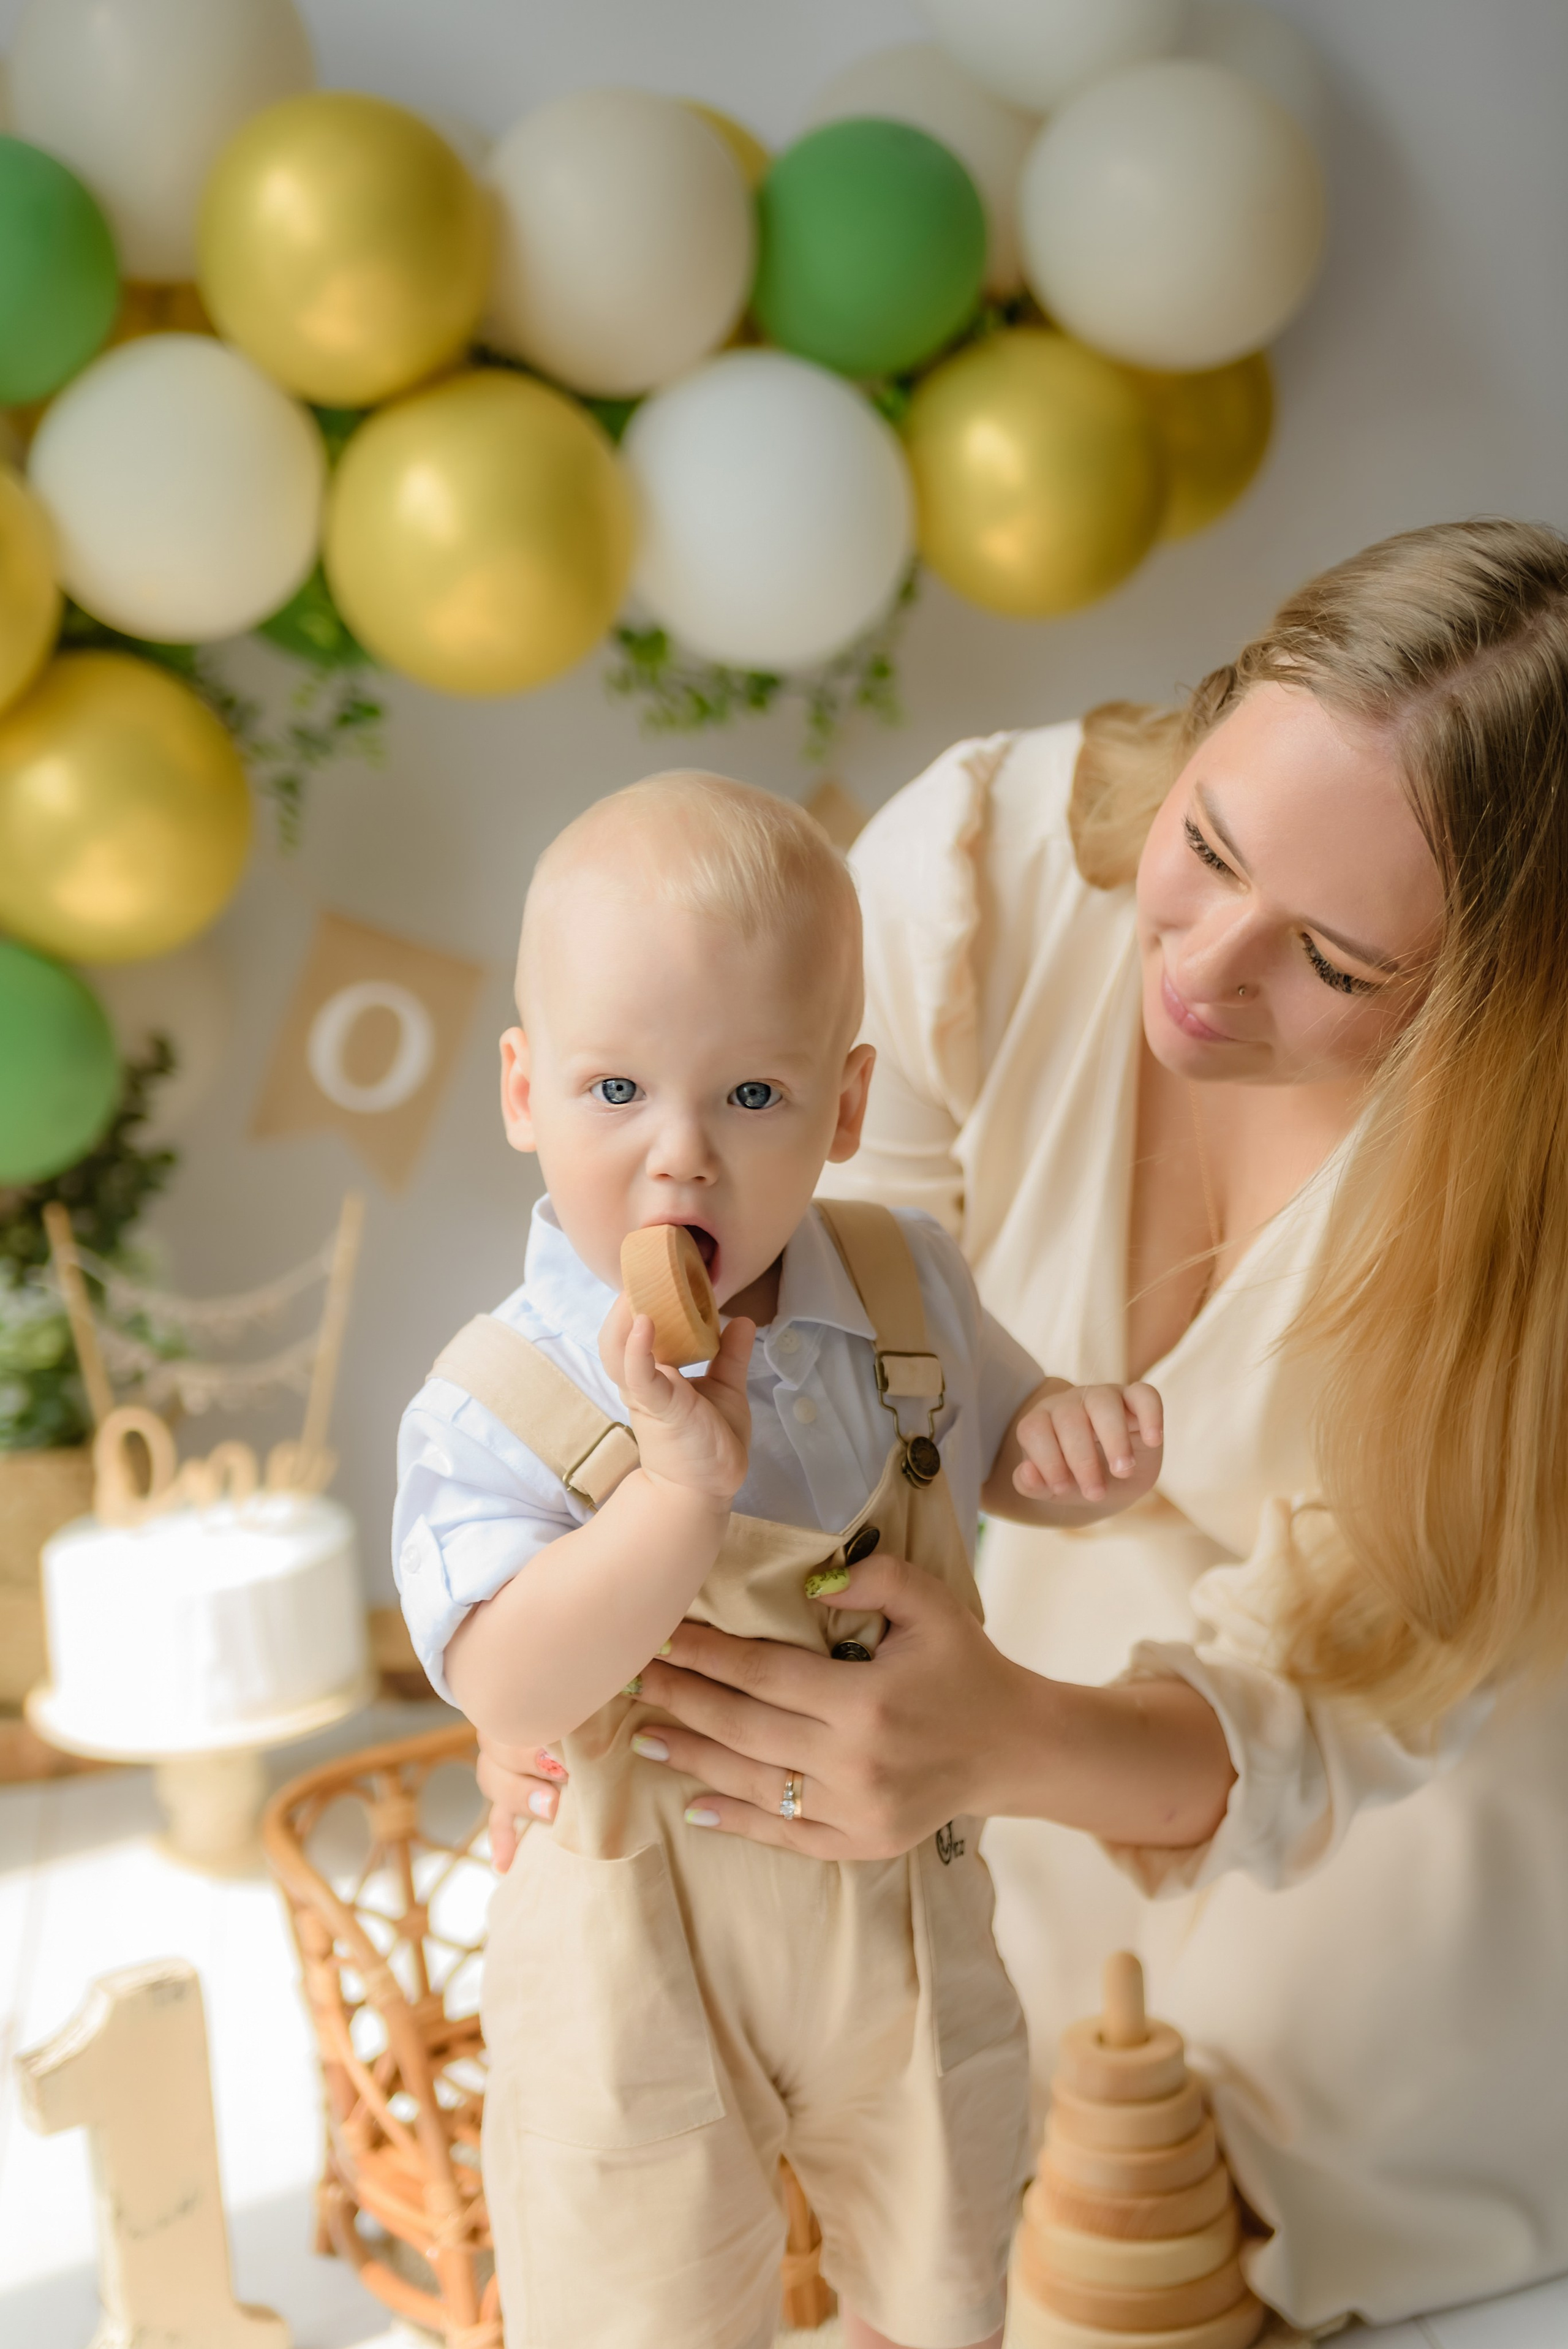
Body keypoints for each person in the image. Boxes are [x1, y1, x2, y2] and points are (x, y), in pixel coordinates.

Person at [476, 521, 1568, 2334]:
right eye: (1207, 845)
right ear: (1208, 725)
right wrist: (549, 1620)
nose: (1206, 970)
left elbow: (1351, 1683)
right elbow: (799, 1314)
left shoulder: (1522, 1219)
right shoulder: (985, 872)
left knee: (1236, 2138)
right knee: (821, 2042)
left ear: (1495, 1007)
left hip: (1415, 1725)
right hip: (991, 1643)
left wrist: (1004, 1742)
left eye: (1339, 965)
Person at [392, 771, 1168, 2349]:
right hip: (635, 1948)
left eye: (752, 1097)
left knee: (946, 2255)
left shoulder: (905, 1279)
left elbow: (999, 1450)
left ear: (846, 1108)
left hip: (893, 1902)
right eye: (619, 1093)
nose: (681, 1160)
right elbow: (506, 1675)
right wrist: (676, 1493)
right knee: (639, 2294)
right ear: (525, 1090)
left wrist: (1073, 1451)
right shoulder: (496, 1396)